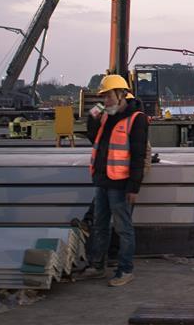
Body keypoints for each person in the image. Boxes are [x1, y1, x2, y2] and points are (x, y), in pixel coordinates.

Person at [79, 74, 149, 287]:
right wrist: (93, 117)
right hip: (102, 180)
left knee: (123, 228)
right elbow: (94, 138)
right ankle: (97, 266)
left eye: (108, 96)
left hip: (120, 184)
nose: (104, 101)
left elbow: (138, 156)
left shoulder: (136, 119)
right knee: (100, 225)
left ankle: (125, 270)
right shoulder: (106, 116)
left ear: (121, 95)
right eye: (104, 97)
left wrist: (133, 187)